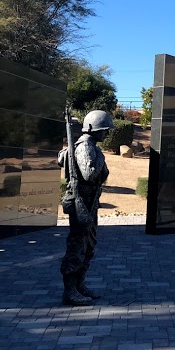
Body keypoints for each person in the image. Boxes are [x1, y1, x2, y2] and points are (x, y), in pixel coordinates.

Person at [59, 110, 112, 306]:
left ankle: (79, 284)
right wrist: (100, 158)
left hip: (89, 204)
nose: (106, 134)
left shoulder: (92, 147)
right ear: (95, 129)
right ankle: (70, 290)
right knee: (77, 245)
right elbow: (90, 174)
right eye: (104, 130)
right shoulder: (85, 147)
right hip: (81, 203)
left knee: (88, 245)